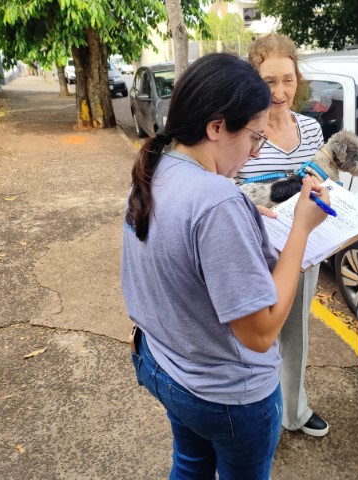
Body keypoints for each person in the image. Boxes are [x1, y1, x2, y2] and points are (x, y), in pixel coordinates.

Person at [121, 53, 329, 479]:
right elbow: (261, 333)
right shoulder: (217, 201)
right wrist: (301, 229)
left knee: (190, 466)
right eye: (254, 137)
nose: (254, 153)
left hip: (163, 365)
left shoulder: (155, 168)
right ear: (216, 127)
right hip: (224, 395)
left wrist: (244, 222)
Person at [236, 33, 329, 437]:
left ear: (298, 80)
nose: (279, 92)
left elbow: (324, 181)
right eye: (269, 81)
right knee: (255, 337)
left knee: (295, 333)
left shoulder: (311, 129)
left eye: (287, 80)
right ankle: (260, 415)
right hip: (255, 252)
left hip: (304, 248)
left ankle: (293, 410)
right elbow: (224, 188)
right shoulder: (243, 129)